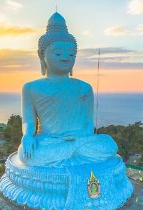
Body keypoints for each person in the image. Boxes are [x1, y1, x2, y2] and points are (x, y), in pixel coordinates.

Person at [18, 12, 118, 167]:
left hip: (79, 140)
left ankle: (68, 153)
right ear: (41, 56)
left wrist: (79, 135)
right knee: (27, 154)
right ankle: (72, 154)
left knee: (108, 143)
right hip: (49, 141)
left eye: (71, 54)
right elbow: (28, 122)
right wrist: (27, 136)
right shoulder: (31, 88)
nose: (65, 57)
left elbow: (89, 124)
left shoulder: (85, 88)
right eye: (58, 53)